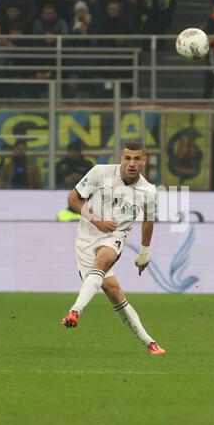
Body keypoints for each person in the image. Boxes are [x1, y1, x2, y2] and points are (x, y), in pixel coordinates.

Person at [61, 141, 166, 356]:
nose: (132, 163)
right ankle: (150, 342)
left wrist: (144, 253)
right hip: (86, 238)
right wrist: (96, 220)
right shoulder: (100, 173)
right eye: (128, 158)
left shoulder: (148, 191)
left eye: (137, 159)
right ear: (121, 158)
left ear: (144, 161)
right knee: (114, 292)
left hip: (114, 237)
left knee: (105, 258)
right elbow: (73, 199)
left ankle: (75, 311)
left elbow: (148, 220)